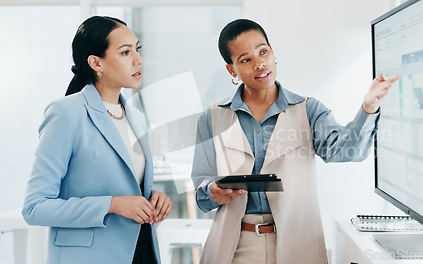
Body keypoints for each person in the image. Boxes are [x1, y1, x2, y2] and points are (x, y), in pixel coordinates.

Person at [191, 19, 399, 264]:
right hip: (235, 246)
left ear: (272, 51)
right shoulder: (213, 116)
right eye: (245, 60)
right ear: (231, 69)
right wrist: (212, 192)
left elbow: (347, 150)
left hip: (296, 243)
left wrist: (368, 107)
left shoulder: (308, 109)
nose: (259, 64)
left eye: (263, 51)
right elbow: (201, 189)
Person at [22, 16, 173, 264]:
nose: (138, 59)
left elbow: (126, 185)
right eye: (126, 52)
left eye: (138, 49)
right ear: (96, 62)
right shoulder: (66, 113)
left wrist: (154, 199)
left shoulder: (137, 118)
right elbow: (35, 207)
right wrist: (112, 205)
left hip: (140, 251)